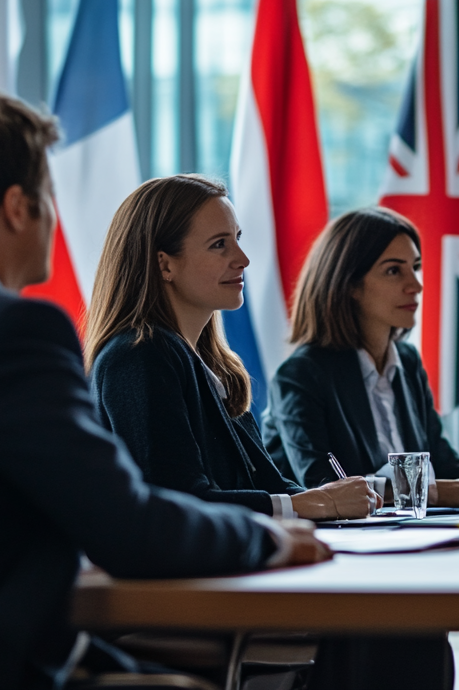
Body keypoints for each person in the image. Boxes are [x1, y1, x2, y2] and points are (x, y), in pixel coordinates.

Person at [0, 90, 331, 690]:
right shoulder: (13, 331)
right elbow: (126, 526)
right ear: (15, 208)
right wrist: (264, 535)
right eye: (48, 198)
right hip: (10, 664)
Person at [85, 175, 377, 522]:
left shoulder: (213, 367)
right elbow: (176, 500)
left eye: (236, 239)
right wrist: (316, 504)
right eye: (219, 245)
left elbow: (267, 484)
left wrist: (331, 498)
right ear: (165, 264)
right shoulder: (138, 356)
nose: (242, 259)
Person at [262, 206, 459, 512]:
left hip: (409, 536)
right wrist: (435, 492)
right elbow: (322, 483)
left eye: (415, 267)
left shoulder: (407, 362)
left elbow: (444, 461)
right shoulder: (301, 375)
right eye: (393, 270)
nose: (416, 285)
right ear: (349, 286)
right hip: (339, 546)